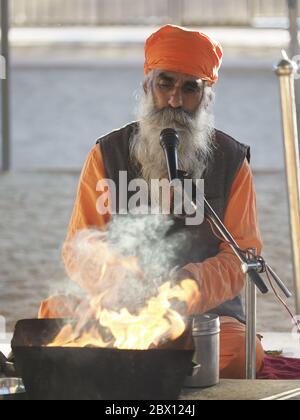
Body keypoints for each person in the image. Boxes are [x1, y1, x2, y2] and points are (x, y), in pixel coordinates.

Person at [39, 24, 265, 379]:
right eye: (165, 83)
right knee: (52, 318)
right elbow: (79, 245)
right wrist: (117, 277)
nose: (174, 100)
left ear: (206, 97)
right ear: (147, 85)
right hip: (119, 304)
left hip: (203, 314)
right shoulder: (106, 154)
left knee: (238, 352)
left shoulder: (231, 161)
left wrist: (187, 287)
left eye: (189, 87)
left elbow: (242, 256)